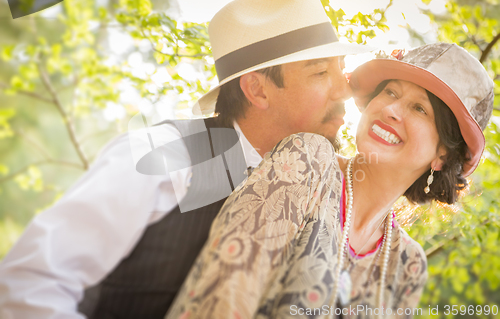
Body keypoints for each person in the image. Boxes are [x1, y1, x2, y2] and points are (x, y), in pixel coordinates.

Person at [0, 0, 373, 318]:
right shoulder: (165, 155)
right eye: (320, 72)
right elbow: (29, 285)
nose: (345, 89)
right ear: (257, 90)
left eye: (341, 69)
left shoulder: (327, 195)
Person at [164, 43, 493, 319]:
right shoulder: (308, 160)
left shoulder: (408, 264)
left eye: (420, 109)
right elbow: (225, 291)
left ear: (442, 156)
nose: (392, 109)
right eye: (390, 91)